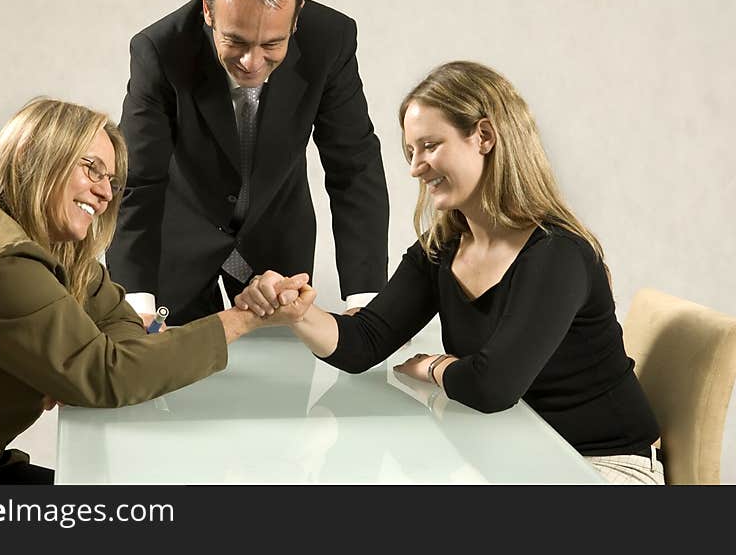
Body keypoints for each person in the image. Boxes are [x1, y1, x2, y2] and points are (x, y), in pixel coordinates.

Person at [235, 61, 664, 485]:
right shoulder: (441, 250)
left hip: (601, 466)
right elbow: (363, 344)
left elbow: (493, 386)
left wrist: (435, 367)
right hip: (514, 457)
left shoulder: (558, 254)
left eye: (430, 146)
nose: (415, 168)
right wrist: (299, 314)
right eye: (410, 152)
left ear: (484, 137)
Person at [0, 98, 310, 485]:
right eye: (91, 168)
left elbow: (121, 335)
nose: (104, 192)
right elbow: (109, 374)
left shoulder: (62, 258)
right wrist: (244, 317)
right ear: (36, 156)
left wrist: (89, 369)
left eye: (111, 182)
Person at [105, 0, 389, 326]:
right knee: (173, 376)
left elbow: (354, 167)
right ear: (208, 10)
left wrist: (368, 300)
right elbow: (139, 180)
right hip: (177, 246)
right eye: (235, 41)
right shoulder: (160, 49)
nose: (251, 62)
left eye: (272, 44)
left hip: (276, 242)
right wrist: (136, 299)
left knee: (282, 377)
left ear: (296, 17)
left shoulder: (330, 40)